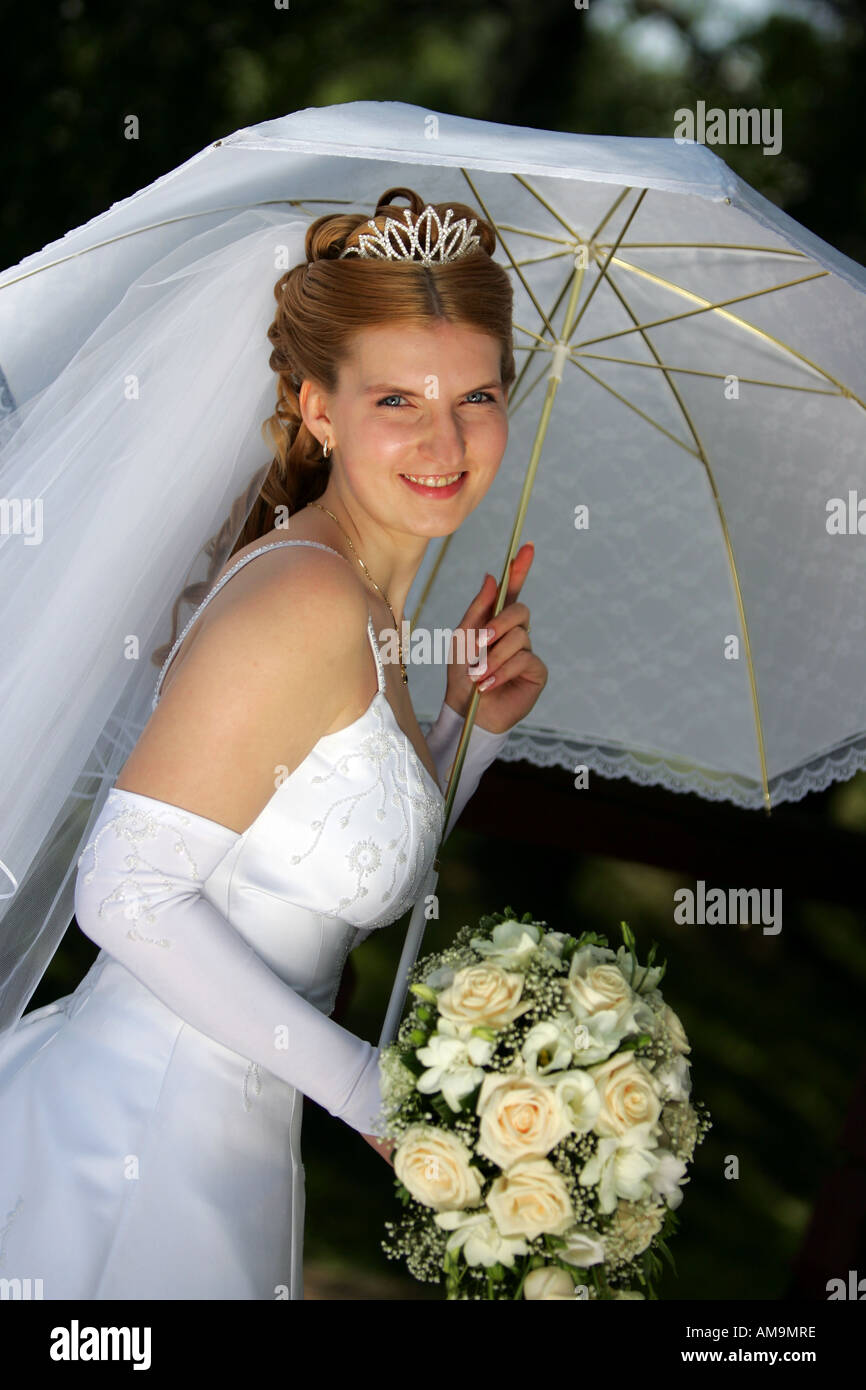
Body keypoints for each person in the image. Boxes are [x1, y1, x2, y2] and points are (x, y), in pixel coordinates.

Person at [0, 187, 547, 1300]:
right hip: (130, 1137)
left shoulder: (362, 602)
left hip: (226, 1142)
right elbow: (129, 891)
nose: (444, 439)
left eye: (476, 395)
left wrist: (465, 731)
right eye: (398, 396)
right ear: (318, 409)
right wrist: (373, 1091)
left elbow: (306, 839)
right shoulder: (304, 596)